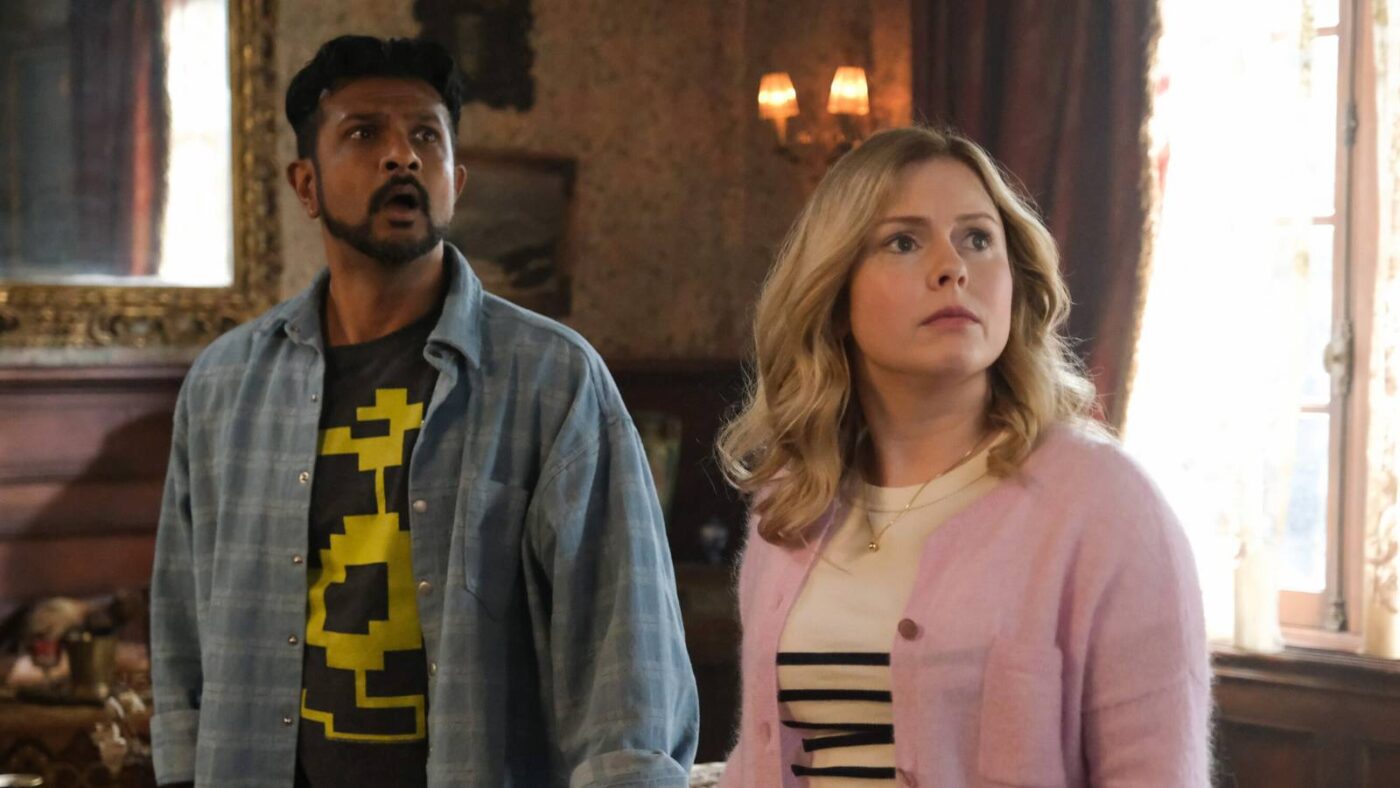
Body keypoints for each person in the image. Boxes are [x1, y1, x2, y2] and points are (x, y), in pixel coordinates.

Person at [149, 35, 698, 787]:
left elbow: (624, 645)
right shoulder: (225, 387)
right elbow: (181, 621)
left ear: (454, 181)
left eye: (425, 137)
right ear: (306, 185)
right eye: (363, 134)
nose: (401, 157)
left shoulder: (552, 380)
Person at [716, 126, 1209, 786]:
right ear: (835, 293)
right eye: (904, 241)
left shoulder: (1105, 504)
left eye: (977, 238)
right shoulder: (791, 500)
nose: (953, 268)